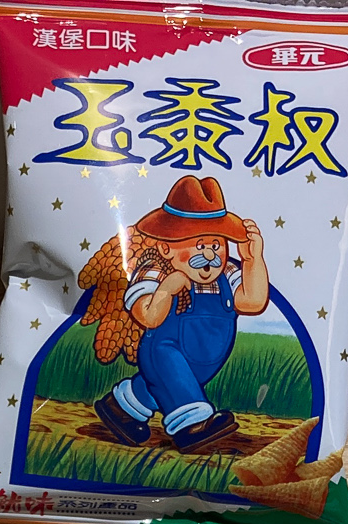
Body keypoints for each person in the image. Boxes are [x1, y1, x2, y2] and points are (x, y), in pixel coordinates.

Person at [80, 176, 268, 451]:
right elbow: (148, 317)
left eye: (216, 245)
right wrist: (167, 289)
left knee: (163, 385)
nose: (209, 255)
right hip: (164, 351)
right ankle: (192, 426)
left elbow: (253, 301)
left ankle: (123, 408)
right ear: (166, 247)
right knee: (172, 375)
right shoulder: (155, 271)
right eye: (199, 246)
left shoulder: (227, 273)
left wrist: (252, 259)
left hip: (203, 360)